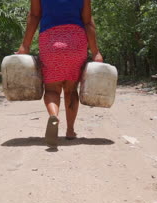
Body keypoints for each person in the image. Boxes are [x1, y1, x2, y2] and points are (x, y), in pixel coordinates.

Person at [16, 0, 103, 147]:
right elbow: (88, 22)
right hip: (76, 42)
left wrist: (25, 45)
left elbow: (34, 16)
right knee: (71, 89)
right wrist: (96, 52)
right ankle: (70, 131)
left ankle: (54, 116)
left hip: (50, 42)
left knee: (51, 89)